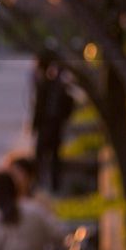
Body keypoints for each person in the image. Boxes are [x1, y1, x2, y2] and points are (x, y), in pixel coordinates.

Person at [31, 53, 76, 193]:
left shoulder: (44, 83)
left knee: (41, 155)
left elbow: (39, 107)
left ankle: (39, 184)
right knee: (55, 156)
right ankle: (55, 186)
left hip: (47, 125)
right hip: (57, 124)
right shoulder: (58, 81)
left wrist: (34, 125)